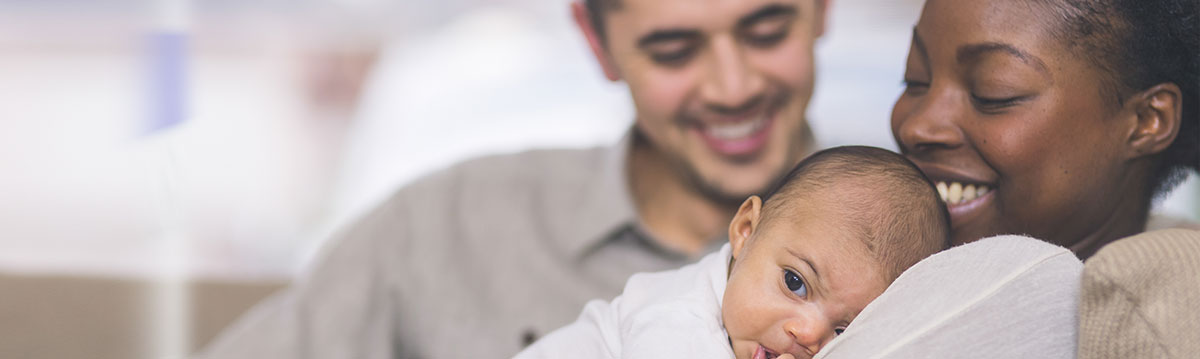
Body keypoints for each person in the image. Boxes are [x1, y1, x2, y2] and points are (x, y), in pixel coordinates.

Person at [197, 0, 829, 357]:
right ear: (597, 41)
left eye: (767, 32)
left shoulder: (917, 254)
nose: (733, 86)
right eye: (673, 51)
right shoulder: (442, 227)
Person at [515, 146, 950, 359]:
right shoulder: (680, 322)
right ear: (745, 231)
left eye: (843, 331)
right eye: (795, 283)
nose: (808, 335)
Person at [890, 0, 1199, 258]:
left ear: (1147, 120)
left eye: (993, 93)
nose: (917, 128)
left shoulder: (1174, 318)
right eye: (915, 80)